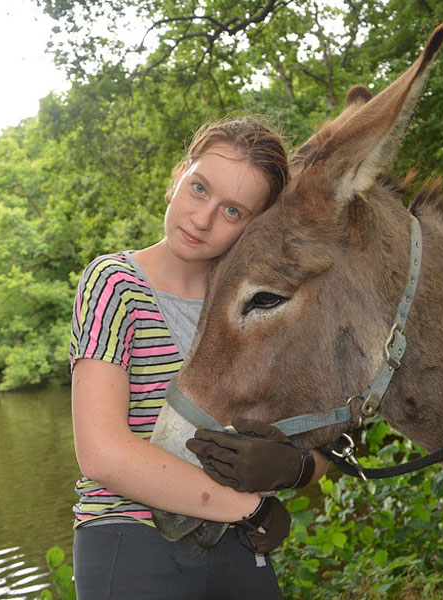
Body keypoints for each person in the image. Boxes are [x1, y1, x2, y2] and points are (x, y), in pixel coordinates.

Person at [69, 116, 325, 600]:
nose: (203, 218)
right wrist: (247, 507)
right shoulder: (114, 284)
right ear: (177, 178)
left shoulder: (260, 308)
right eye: (200, 188)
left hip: (239, 545)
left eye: (233, 211)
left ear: (254, 227)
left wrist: (294, 469)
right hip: (131, 540)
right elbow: (101, 452)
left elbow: (318, 441)